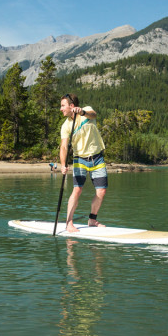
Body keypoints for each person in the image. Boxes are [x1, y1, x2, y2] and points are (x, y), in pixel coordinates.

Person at [59, 93, 107, 233]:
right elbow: (63, 146)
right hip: (80, 159)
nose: (61, 109)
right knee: (77, 189)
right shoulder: (66, 126)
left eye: (63, 106)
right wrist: (63, 164)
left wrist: (82, 112)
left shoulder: (87, 111)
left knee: (101, 191)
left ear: (72, 106)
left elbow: (94, 114)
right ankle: (69, 223)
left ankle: (92, 220)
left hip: (97, 158)